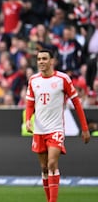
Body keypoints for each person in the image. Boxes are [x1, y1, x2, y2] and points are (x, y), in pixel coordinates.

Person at [25, 49, 90, 202]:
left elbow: (77, 103)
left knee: (52, 163)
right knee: (44, 168)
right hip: (39, 130)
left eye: (44, 58)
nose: (41, 61)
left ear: (52, 61)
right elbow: (29, 104)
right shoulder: (33, 80)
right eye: (39, 59)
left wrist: (85, 128)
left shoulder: (63, 79)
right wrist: (28, 120)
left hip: (55, 129)